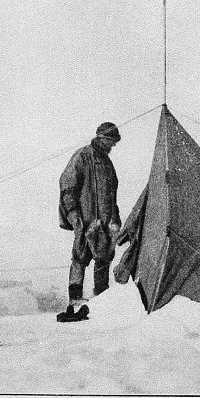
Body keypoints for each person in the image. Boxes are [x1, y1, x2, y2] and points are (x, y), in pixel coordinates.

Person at [59, 122, 122, 306]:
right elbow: (67, 186)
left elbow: (112, 196)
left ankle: (101, 298)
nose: (113, 145)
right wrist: (73, 214)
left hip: (105, 223)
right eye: (111, 141)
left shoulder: (107, 163)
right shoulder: (82, 156)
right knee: (80, 257)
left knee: (104, 258)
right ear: (102, 138)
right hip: (85, 221)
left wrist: (114, 219)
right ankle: (75, 298)